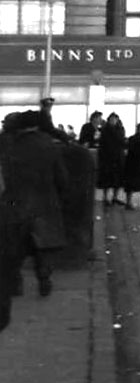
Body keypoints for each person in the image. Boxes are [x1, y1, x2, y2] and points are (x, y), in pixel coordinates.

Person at [0, 110, 69, 309]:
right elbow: (61, 177)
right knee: (42, 244)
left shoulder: (9, 144)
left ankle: (15, 283)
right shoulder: (49, 145)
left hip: (14, 203)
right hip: (44, 203)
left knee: (14, 246)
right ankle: (44, 277)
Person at [96, 112, 127, 208]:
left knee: (117, 179)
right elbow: (102, 143)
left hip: (118, 157)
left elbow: (122, 141)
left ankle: (114, 197)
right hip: (107, 158)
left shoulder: (120, 129)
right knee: (107, 179)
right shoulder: (105, 130)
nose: (113, 121)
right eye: (111, 119)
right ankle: (106, 198)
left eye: (115, 119)